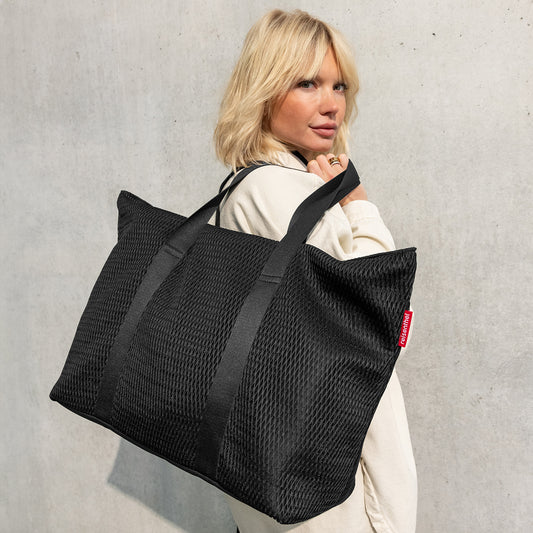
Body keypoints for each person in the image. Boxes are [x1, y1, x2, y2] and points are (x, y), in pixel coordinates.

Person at [213, 9, 417, 533]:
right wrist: (358, 203)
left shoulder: (257, 184)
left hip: (293, 459)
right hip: (329, 478)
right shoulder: (277, 191)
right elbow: (375, 318)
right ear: (264, 91)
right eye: (307, 84)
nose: (331, 105)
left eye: (338, 85)